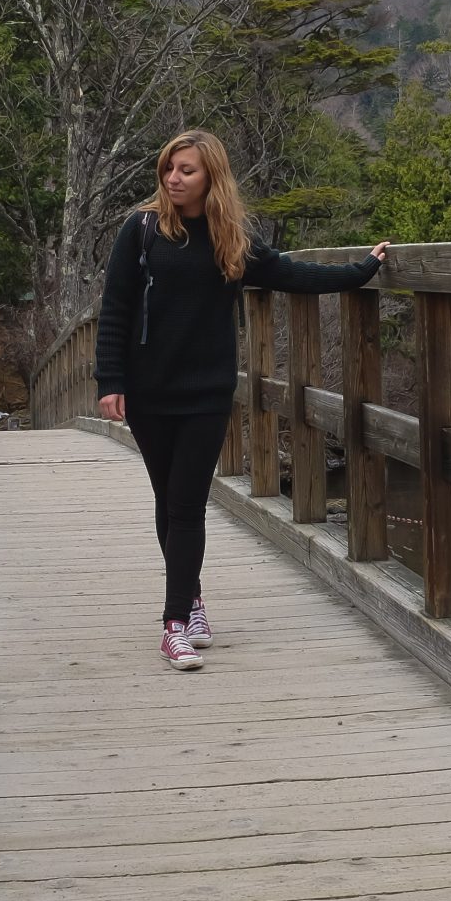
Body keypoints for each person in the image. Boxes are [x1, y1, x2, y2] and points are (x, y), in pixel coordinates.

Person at [94, 128, 391, 670]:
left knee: (186, 503)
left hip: (207, 392)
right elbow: (114, 309)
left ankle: (174, 624)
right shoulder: (141, 230)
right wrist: (109, 381)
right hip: (148, 392)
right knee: (168, 499)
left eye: (186, 170)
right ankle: (193, 600)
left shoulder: (231, 238)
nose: (174, 178)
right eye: (169, 168)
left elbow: (292, 274)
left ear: (212, 177)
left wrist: (361, 270)